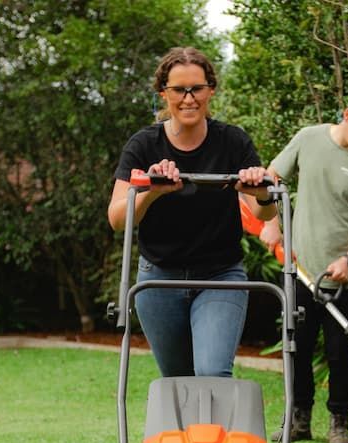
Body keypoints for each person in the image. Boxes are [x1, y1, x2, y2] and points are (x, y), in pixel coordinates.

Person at [108, 46, 277, 378]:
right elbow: (117, 219)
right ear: (163, 93)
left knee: (212, 374)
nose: (188, 98)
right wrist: (151, 192)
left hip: (220, 276)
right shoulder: (143, 145)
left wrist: (261, 191)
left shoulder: (233, 142)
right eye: (178, 90)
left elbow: (265, 212)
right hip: (158, 279)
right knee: (177, 379)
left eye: (196, 89)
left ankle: (214, 432)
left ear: (210, 90)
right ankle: (181, 433)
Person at [261, 88, 348, 443]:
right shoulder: (309, 139)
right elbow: (271, 179)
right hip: (300, 269)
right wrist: (272, 223)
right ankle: (298, 420)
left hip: (343, 279)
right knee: (297, 347)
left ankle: (339, 424)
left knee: (340, 351)